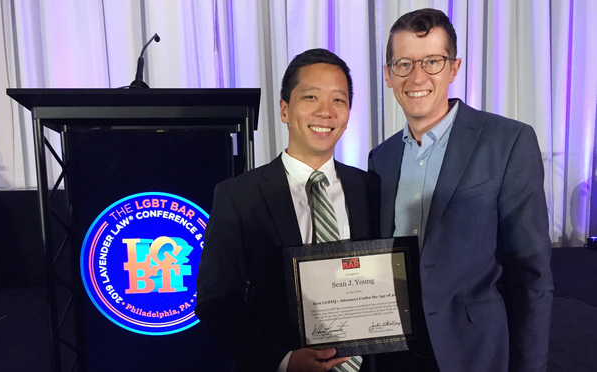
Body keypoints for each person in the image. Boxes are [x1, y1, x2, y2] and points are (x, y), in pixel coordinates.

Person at [368, 8, 553, 372]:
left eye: (432, 61)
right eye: (403, 63)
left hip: (475, 353)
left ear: (454, 67)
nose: (417, 75)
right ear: (388, 75)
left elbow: (531, 275)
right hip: (397, 354)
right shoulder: (381, 157)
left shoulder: (508, 141)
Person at [196, 48, 381, 372]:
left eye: (339, 100)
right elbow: (215, 304)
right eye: (311, 97)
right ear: (284, 109)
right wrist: (283, 361)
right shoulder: (239, 197)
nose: (326, 111)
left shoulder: (371, 188)